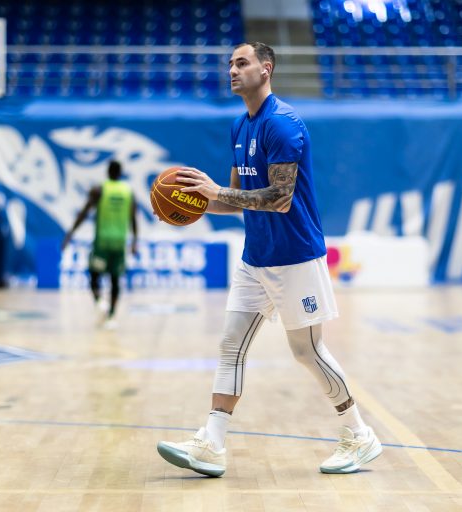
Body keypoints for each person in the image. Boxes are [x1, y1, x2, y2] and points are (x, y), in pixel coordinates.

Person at [156, 42, 382, 477]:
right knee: (231, 345)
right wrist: (187, 205)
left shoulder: (282, 124)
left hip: (295, 257)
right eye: (229, 64)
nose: (232, 70)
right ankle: (212, 443)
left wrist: (217, 191)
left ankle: (359, 434)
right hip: (255, 257)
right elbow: (235, 199)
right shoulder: (240, 126)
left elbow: (279, 198)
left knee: (307, 352)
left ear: (266, 69)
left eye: (241, 63)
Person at [62, 160, 137, 328]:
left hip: (102, 242)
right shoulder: (128, 192)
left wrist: (70, 233)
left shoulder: (100, 189)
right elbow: (133, 219)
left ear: (107, 172)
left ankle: (99, 301)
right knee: (115, 280)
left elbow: (84, 213)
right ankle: (111, 316)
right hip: (119, 242)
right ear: (121, 173)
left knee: (94, 274)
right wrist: (135, 241)